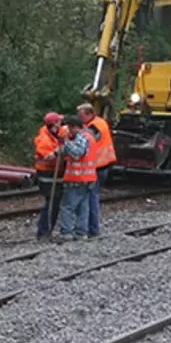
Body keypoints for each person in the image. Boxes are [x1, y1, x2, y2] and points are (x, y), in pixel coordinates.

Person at [75, 103, 117, 237]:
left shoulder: (94, 127)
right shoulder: (100, 122)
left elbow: (86, 139)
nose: (79, 119)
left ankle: (93, 229)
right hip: (103, 165)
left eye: (80, 116)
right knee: (92, 197)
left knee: (91, 198)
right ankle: (90, 228)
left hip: (97, 167)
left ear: (89, 114)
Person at [55, 115, 96, 241]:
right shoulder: (89, 137)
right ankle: (81, 232)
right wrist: (56, 153)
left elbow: (77, 153)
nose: (69, 131)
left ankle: (66, 232)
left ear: (73, 127)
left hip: (77, 178)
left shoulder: (82, 137)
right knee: (82, 207)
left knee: (67, 207)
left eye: (69, 129)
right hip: (87, 178)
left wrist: (66, 141)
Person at [34, 113, 64, 240]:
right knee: (52, 202)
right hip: (48, 175)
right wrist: (60, 153)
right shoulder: (45, 141)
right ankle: (44, 230)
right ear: (54, 124)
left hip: (53, 174)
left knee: (54, 203)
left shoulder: (54, 134)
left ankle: (45, 229)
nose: (61, 124)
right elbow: (49, 157)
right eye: (59, 122)